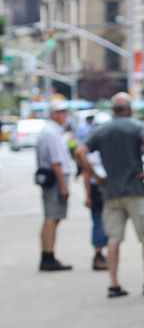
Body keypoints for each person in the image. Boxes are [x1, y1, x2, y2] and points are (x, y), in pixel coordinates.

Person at [75, 93, 144, 298]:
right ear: (129, 110)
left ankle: (114, 283)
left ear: (113, 110)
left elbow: (79, 152)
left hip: (111, 191)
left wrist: (96, 175)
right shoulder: (136, 126)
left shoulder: (101, 131)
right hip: (135, 190)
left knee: (113, 238)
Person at [37, 101, 73, 271]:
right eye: (61, 112)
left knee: (51, 217)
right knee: (52, 217)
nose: (64, 116)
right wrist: (64, 186)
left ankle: (47, 255)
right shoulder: (51, 133)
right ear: (53, 114)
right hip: (56, 180)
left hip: (50, 179)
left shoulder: (49, 131)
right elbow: (56, 162)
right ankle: (48, 256)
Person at [83, 144, 108, 270]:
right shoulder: (93, 154)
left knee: (102, 221)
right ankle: (98, 254)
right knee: (100, 221)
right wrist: (88, 195)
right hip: (99, 188)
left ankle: (101, 254)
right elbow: (86, 175)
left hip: (104, 187)